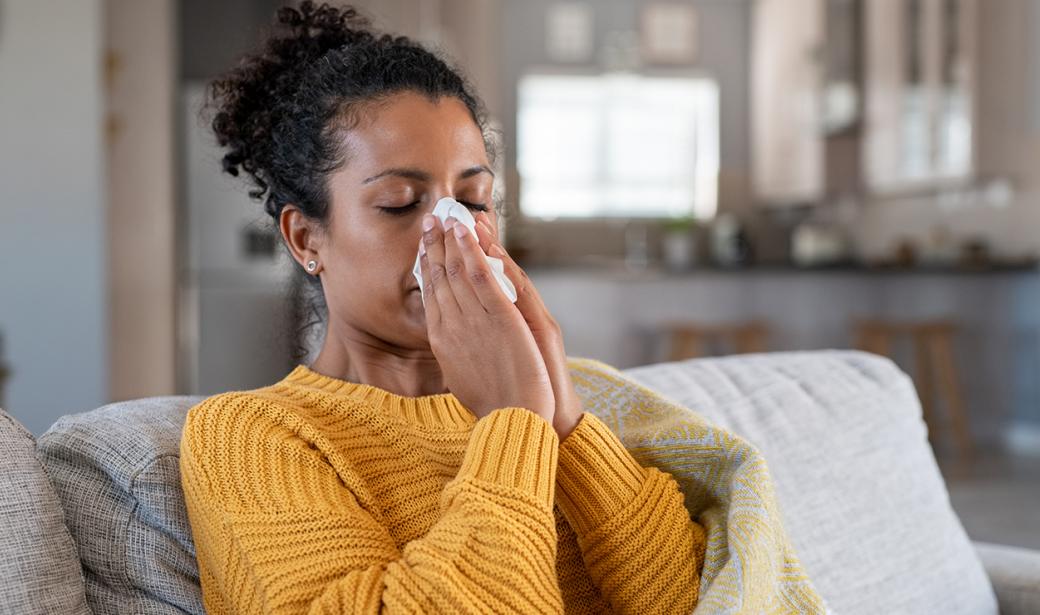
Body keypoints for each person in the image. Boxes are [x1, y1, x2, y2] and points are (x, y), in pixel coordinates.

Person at [179, 2, 707, 613]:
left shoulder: (552, 398)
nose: (451, 233)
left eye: (475, 201)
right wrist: (516, 425)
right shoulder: (252, 438)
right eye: (401, 203)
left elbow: (693, 601)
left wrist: (565, 422)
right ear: (306, 239)